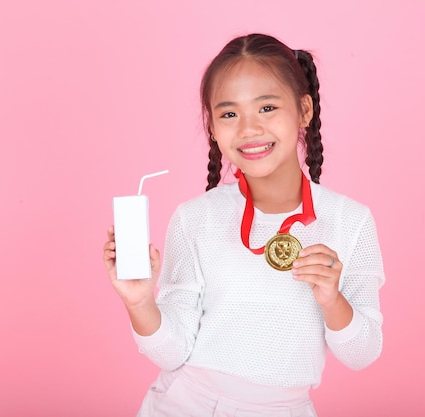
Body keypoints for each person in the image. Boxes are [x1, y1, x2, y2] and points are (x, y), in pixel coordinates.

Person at [103, 33, 385, 417]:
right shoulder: (194, 218)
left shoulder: (350, 221)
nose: (249, 128)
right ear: (213, 128)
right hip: (185, 405)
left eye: (267, 108)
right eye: (229, 114)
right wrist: (139, 302)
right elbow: (171, 353)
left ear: (305, 110)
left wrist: (333, 301)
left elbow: (362, 354)